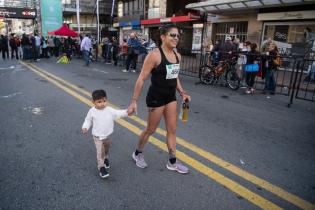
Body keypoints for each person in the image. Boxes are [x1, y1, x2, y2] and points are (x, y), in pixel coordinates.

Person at [127, 24, 191, 174]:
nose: (176, 38)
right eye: (172, 35)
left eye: (177, 36)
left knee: (172, 130)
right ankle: (137, 153)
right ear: (163, 37)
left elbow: (174, 77)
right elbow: (141, 79)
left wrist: (182, 93)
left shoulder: (177, 56)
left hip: (170, 97)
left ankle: (172, 161)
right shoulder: (154, 55)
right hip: (156, 97)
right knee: (151, 129)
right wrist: (134, 101)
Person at [82, 89, 129, 178]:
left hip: (107, 135)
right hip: (97, 136)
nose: (102, 103)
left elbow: (119, 113)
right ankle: (101, 167)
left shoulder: (109, 110)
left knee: (106, 149)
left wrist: (128, 112)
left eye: (104, 101)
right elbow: (88, 120)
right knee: (100, 152)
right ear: (93, 102)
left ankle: (106, 158)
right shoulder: (92, 111)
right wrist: (85, 127)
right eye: (99, 102)